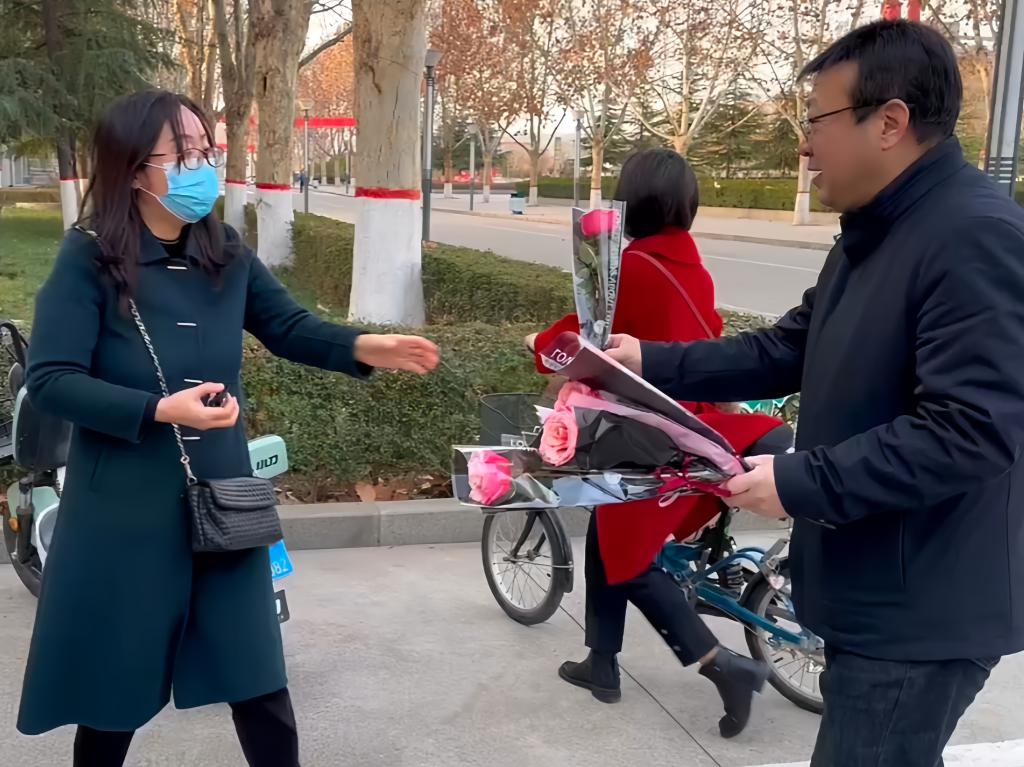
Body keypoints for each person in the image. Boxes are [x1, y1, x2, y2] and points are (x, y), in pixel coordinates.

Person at [607, 21, 1024, 767]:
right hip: (875, 585)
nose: (804, 146)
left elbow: (971, 430)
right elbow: (786, 348)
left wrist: (800, 481)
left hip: (921, 609)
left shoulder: (972, 235)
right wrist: (648, 360)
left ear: (889, 122)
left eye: (816, 120)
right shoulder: (878, 232)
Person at [16, 90, 439, 767]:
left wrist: (364, 346)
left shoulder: (226, 252)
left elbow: (288, 326)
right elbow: (52, 379)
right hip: (121, 510)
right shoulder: (89, 258)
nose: (201, 166)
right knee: (112, 694)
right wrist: (160, 410)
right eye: (182, 154)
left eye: (205, 151)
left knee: (257, 677)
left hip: (221, 502)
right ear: (134, 168)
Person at [527, 149, 787, 738]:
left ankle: (722, 666)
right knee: (608, 532)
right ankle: (600, 661)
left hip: (651, 441)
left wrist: (537, 343)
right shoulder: (696, 271)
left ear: (630, 200)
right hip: (702, 433)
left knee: (630, 559)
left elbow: (575, 341)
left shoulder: (630, 270)